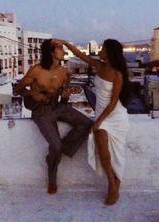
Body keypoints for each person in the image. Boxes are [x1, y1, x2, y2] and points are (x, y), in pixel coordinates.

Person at [53, 39, 130, 205]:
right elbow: (80, 54)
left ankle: (114, 185)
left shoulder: (118, 74)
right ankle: (112, 182)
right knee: (102, 144)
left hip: (115, 116)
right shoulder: (99, 66)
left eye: (103, 48)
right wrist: (66, 43)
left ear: (109, 53)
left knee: (107, 143)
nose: (100, 50)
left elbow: (113, 103)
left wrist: (98, 121)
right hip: (102, 115)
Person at [15, 39, 92, 194]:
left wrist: (65, 95)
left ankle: (62, 150)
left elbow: (64, 99)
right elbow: (19, 88)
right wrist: (33, 93)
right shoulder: (36, 70)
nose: (63, 51)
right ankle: (52, 178)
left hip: (58, 107)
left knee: (85, 123)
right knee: (54, 146)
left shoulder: (64, 72)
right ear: (51, 52)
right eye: (59, 48)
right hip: (41, 112)